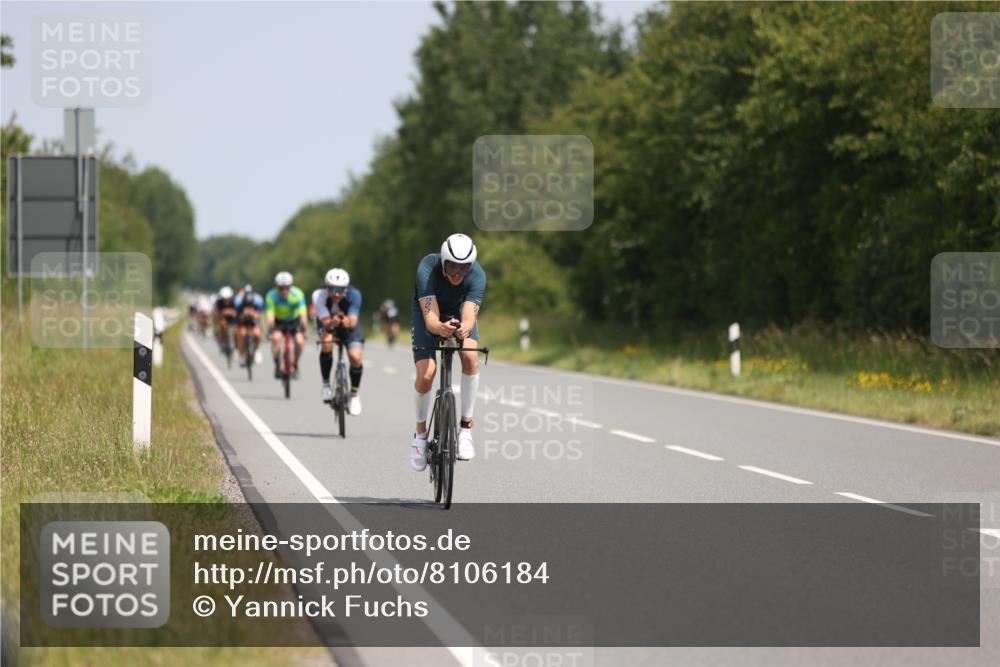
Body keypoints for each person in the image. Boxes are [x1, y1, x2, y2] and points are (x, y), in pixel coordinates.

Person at [410, 233, 486, 471]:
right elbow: (431, 320)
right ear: (443, 262)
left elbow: (469, 316)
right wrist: (439, 328)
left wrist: (464, 329)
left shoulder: (477, 275)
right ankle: (420, 436)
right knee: (426, 374)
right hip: (428, 313)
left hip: (457, 311)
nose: (457, 273)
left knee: (471, 357)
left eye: (464, 268)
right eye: (452, 266)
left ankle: (465, 431)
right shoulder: (427, 268)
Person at [312, 268, 365, 415]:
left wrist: (345, 321)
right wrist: (333, 322)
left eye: (340, 290)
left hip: (349, 326)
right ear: (326, 287)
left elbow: (352, 322)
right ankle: (326, 384)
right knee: (327, 344)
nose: (336, 294)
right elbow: (326, 322)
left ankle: (354, 395)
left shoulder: (355, 295)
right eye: (332, 289)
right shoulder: (319, 295)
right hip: (328, 323)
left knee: (355, 357)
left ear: (346, 289)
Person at [265, 271, 308, 380]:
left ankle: (295, 364)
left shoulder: (298, 294)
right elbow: (270, 314)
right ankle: (277, 364)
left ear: (290, 286)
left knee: (299, 341)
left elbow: (303, 313)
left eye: (287, 288)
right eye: (281, 288)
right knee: (276, 338)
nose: (284, 290)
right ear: (277, 287)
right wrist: (270, 327)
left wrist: (304, 327)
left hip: (294, 320)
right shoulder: (271, 296)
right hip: (279, 321)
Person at [234, 284, 265, 366]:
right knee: (242, 335)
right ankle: (242, 355)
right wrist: (244, 315)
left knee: (257, 334)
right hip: (243, 324)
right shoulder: (239, 304)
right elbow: (237, 317)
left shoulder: (257, 302)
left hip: (253, 323)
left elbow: (260, 315)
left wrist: (253, 314)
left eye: (250, 305)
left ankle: (257, 350)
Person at [214, 286, 238, 350]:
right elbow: (218, 313)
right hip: (223, 318)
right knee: (222, 325)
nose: (226, 300)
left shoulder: (234, 301)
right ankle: (222, 339)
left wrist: (228, 312)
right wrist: (226, 312)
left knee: (236, 330)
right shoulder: (219, 302)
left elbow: (236, 312)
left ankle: (236, 344)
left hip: (232, 319)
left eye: (228, 298)